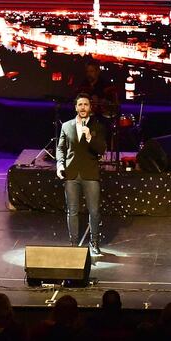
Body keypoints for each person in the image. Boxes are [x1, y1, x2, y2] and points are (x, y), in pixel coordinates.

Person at [56, 93, 106, 255]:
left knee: (94, 211)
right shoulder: (66, 126)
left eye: (85, 104)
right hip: (71, 174)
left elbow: (101, 149)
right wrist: (60, 165)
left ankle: (94, 242)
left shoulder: (97, 125)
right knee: (72, 210)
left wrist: (90, 137)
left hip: (90, 173)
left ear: (90, 107)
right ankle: (73, 243)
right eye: (80, 105)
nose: (83, 107)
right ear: (75, 107)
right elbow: (60, 149)